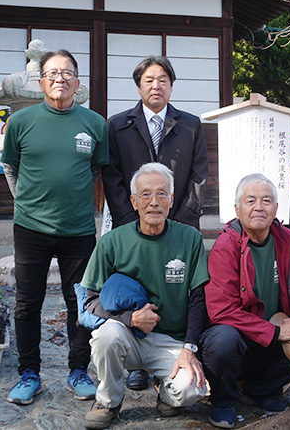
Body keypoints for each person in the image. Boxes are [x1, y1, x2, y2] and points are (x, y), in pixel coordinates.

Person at [1, 49, 111, 406]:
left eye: (66, 73)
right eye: (52, 73)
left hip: (78, 229)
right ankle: (28, 373)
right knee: (27, 303)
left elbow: (95, 168)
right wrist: (25, 201)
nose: (59, 78)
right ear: (41, 81)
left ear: (77, 83)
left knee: (80, 302)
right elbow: (10, 167)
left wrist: (72, 197)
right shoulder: (21, 121)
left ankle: (78, 371)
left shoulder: (94, 123)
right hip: (30, 227)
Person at [101, 55, 209, 391]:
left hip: (178, 225)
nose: (156, 86)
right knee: (134, 286)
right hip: (132, 225)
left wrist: (181, 222)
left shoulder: (190, 125)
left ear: (171, 86)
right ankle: (138, 364)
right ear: (138, 86)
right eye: (149, 80)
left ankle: (173, 351)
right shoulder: (118, 125)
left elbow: (199, 177)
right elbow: (112, 177)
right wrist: (130, 221)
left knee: (175, 287)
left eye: (163, 80)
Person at [80, 163, 210, 429]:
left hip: (171, 339)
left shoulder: (190, 238)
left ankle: (166, 393)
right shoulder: (112, 242)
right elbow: (91, 301)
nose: (154, 202)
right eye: (146, 194)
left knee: (192, 390)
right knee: (105, 336)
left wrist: (189, 348)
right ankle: (108, 401)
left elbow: (199, 298)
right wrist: (130, 318)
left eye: (162, 194)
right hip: (128, 336)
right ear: (134, 201)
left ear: (171, 199)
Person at [200, 173, 290, 429]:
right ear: (237, 209)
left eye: (266, 201)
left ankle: (261, 390)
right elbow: (221, 310)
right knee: (222, 339)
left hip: (275, 329)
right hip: (239, 337)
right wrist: (276, 332)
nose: (258, 207)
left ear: (276, 207)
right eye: (250, 200)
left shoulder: (288, 239)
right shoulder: (226, 245)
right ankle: (223, 401)